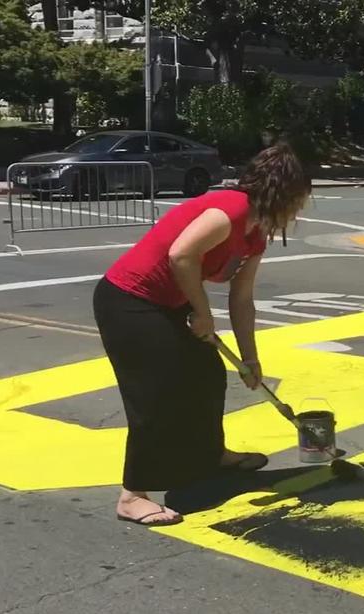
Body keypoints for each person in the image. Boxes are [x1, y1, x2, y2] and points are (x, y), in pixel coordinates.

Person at [92, 143, 311, 527]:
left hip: (169, 302)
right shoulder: (230, 209)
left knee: (207, 376)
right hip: (129, 300)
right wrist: (203, 312)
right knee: (154, 393)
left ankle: (213, 456)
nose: (299, 210)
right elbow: (181, 255)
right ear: (284, 192)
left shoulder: (256, 233)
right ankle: (132, 495)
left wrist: (250, 359)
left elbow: (242, 299)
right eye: (300, 200)